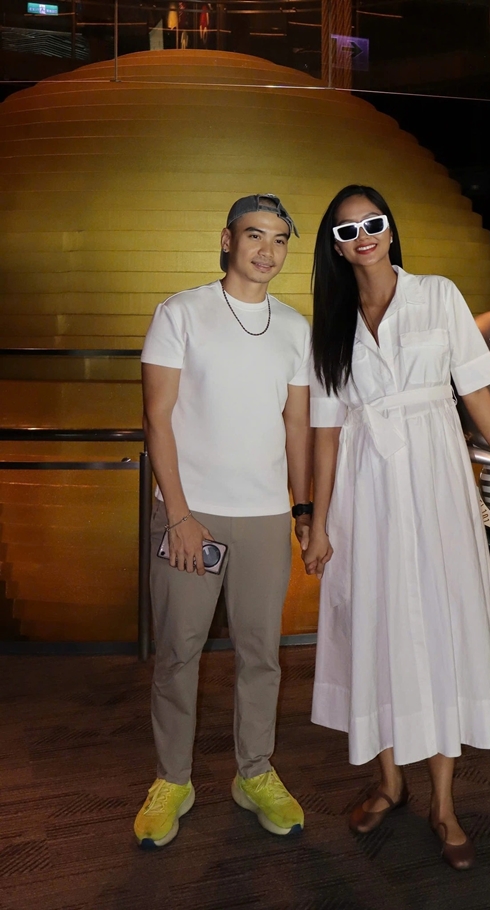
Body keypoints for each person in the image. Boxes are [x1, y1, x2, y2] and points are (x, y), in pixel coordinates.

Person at [303, 185, 490, 870]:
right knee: (376, 624)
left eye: (373, 223)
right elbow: (326, 433)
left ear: (391, 229)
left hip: (435, 482)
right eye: (347, 230)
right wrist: (318, 523)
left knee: (441, 623)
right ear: (335, 247)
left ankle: (444, 803)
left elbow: (475, 389)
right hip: (364, 491)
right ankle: (390, 781)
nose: (363, 236)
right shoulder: (331, 323)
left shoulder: (438, 295)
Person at [135, 194, 313, 848]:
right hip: (192, 516)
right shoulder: (181, 313)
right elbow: (157, 417)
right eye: (255, 235)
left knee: (261, 655)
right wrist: (178, 515)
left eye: (280, 239)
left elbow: (297, 425)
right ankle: (172, 780)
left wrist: (302, 509)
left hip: (264, 516)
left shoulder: (294, 328)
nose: (268, 250)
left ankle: (254, 772)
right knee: (178, 651)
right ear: (227, 239)